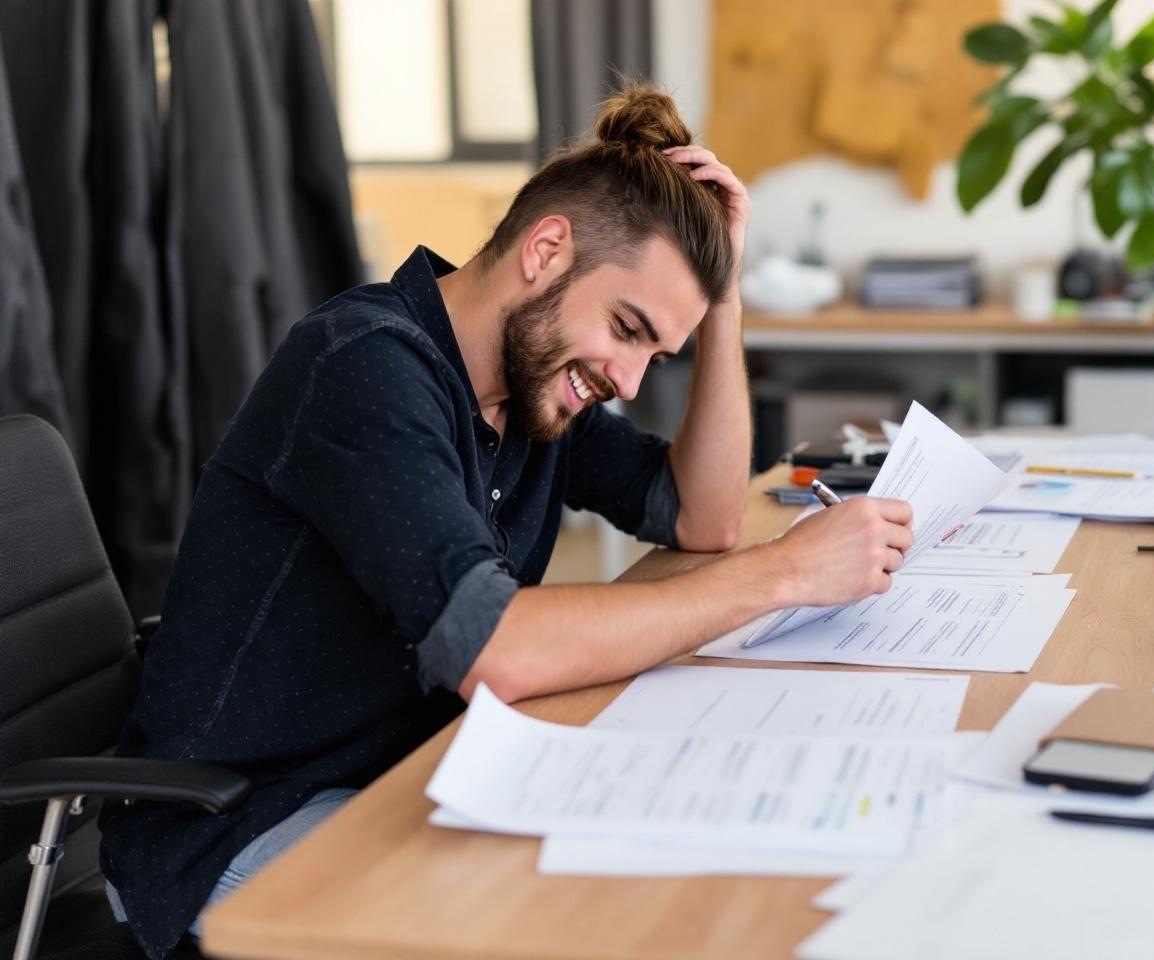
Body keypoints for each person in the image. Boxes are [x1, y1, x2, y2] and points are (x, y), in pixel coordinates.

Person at [98, 84, 914, 958]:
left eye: (656, 353)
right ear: (547, 249)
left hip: (410, 779)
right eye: (628, 328)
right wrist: (787, 572)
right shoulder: (366, 367)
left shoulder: (528, 389)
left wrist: (720, 303)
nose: (632, 382)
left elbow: (703, 517)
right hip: (236, 821)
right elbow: (499, 649)